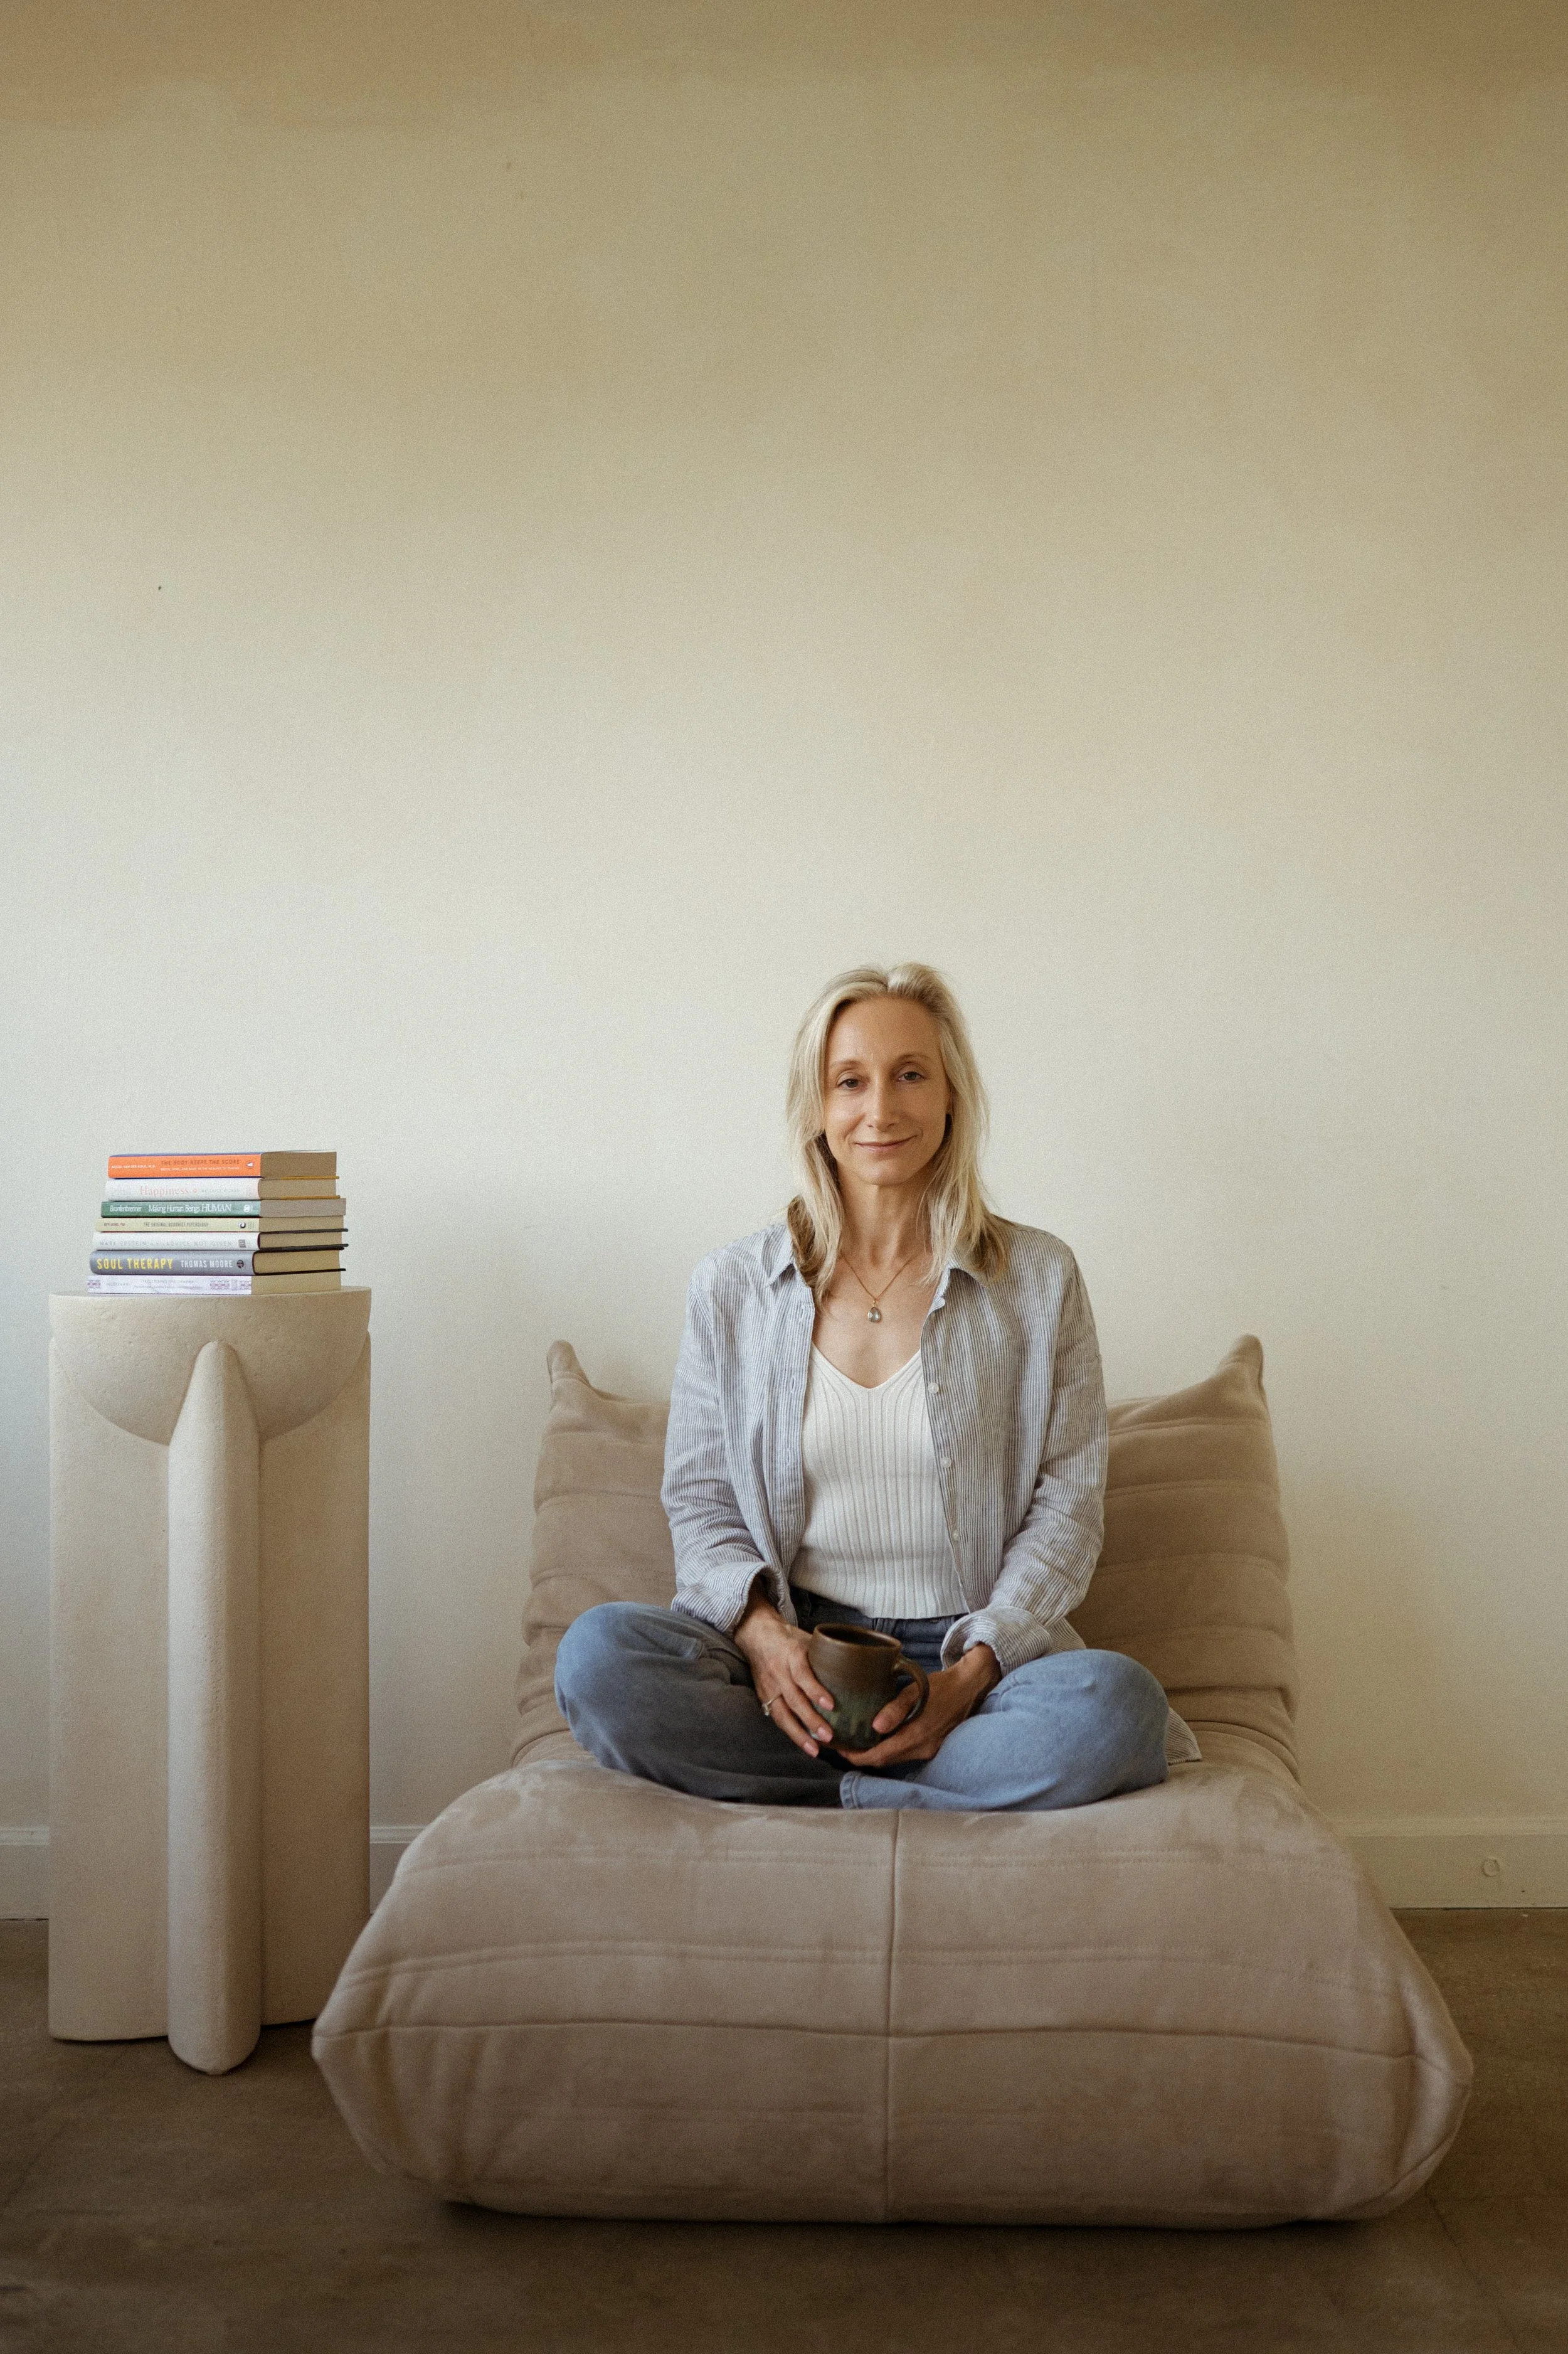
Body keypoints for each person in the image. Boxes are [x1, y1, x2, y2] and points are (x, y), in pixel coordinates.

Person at [556, 961, 1197, 1810]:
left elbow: (1068, 1505)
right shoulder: (732, 1288)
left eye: (910, 1076)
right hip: (797, 1659)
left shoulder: (1039, 1280)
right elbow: (702, 1499)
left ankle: (843, 1791)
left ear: (951, 1097)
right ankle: (909, 1790)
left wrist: (969, 1679)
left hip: (972, 1662)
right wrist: (764, 1642)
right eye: (849, 1081)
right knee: (600, 1658)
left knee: (1117, 1708)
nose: (881, 1110)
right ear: (817, 1108)